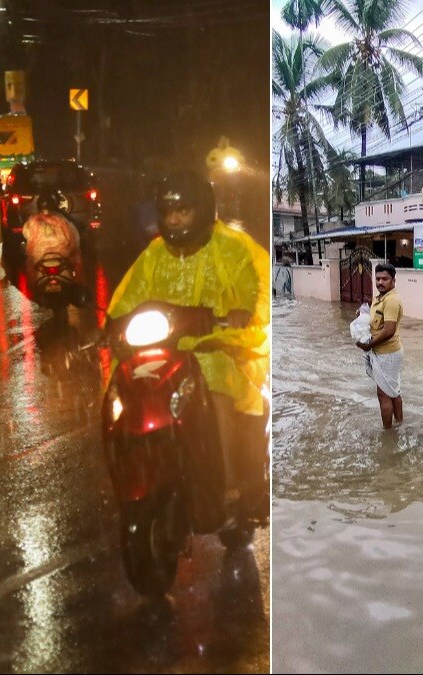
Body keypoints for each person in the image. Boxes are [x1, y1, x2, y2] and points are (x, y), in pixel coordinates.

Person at [107, 171, 270, 518]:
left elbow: (257, 289)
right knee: (121, 393)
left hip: (219, 347)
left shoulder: (233, 247)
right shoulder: (153, 254)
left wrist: (241, 313)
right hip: (162, 348)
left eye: (184, 212)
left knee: (220, 396)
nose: (175, 219)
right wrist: (111, 324)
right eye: (169, 213)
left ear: (202, 210)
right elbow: (127, 298)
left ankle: (230, 485)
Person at [356, 263, 404, 429]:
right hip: (386, 352)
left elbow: (389, 330)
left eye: (385, 279)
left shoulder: (391, 300)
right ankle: (399, 425)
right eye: (378, 278)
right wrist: (363, 315)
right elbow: (377, 322)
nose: (380, 282)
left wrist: (368, 345)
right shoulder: (380, 298)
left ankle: (388, 433)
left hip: (387, 353)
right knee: (392, 391)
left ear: (393, 281)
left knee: (384, 394)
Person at [22, 190, 86, 305]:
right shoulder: (62, 219)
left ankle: (32, 295)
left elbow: (25, 234)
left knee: (29, 264)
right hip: (62, 255)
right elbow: (74, 238)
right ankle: (80, 289)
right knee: (77, 257)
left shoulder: (33, 220)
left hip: (39, 257)